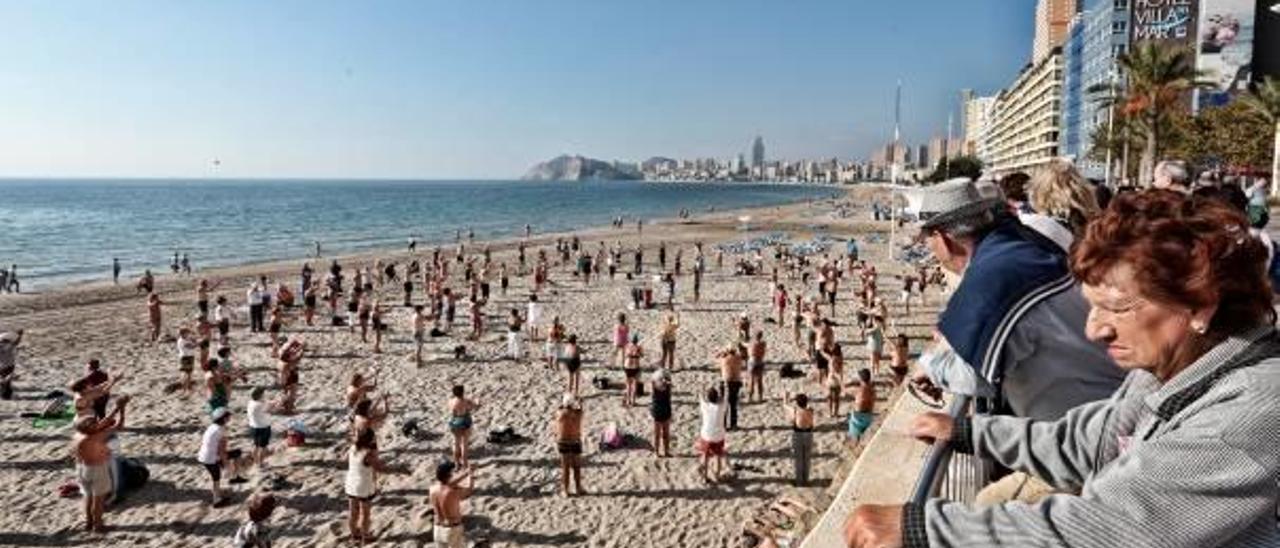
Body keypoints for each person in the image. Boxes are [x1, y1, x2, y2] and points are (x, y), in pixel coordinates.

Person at [845, 189, 1280, 548]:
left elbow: (1112, 529)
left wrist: (926, 529)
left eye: (1116, 308)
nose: (1094, 330)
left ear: (1199, 303)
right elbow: (1088, 444)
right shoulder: (1169, 366)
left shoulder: (1250, 410)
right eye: (1091, 308)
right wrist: (970, 433)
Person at [913, 178, 1123, 422]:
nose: (931, 252)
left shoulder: (991, 277)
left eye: (928, 242)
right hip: (1111, 400)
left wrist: (930, 365)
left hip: (1092, 428)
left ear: (942, 238)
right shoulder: (1020, 245)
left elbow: (974, 377)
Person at [72, 395, 128, 533]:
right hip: (97, 469)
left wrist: (115, 408)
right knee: (98, 500)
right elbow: (119, 426)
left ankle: (88, 522)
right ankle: (98, 526)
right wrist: (122, 410)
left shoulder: (78, 436)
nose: (98, 422)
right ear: (91, 427)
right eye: (94, 422)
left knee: (88, 497)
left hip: (82, 469)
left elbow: (103, 422)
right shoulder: (97, 436)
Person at [345, 428, 392, 545]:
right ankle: (365, 536)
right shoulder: (367, 454)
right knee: (365, 513)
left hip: (351, 482)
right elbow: (380, 468)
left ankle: (354, 534)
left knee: (352, 511)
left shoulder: (352, 448)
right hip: (363, 485)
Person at [197, 407, 246, 506]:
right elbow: (221, 452)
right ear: (224, 419)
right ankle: (216, 501)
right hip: (211, 459)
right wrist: (227, 466)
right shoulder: (221, 431)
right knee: (216, 479)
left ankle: (235, 477)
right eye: (228, 416)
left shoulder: (212, 426)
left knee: (237, 453)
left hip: (203, 456)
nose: (230, 417)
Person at [429, 461, 474, 548]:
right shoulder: (452, 492)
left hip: (438, 528)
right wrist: (471, 476)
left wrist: (466, 473)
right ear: (449, 475)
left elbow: (447, 483)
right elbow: (469, 490)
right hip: (452, 529)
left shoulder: (432, 489)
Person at [554, 394, 586, 497]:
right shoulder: (578, 414)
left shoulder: (560, 414)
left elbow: (559, 409)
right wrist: (579, 403)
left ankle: (565, 490)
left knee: (565, 468)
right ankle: (578, 488)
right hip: (575, 441)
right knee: (577, 467)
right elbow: (580, 408)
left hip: (563, 442)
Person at [782, 392, 814, 486]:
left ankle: (799, 481)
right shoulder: (810, 410)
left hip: (798, 435)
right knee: (807, 459)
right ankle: (806, 480)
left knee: (798, 459)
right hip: (808, 434)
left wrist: (786, 397)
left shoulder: (795, 411)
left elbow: (785, 405)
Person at [697, 386, 728, 482]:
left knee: (705, 456)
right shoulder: (721, 407)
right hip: (719, 435)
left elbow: (701, 397)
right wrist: (723, 390)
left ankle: (704, 477)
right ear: (717, 397)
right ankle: (717, 476)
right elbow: (725, 398)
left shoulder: (705, 406)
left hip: (706, 435)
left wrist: (702, 390)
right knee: (718, 455)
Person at [447, 385, 479, 467]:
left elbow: (452, 412)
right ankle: (465, 463)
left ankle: (456, 463)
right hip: (464, 423)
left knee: (455, 443)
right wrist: (477, 400)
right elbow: (475, 407)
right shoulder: (465, 401)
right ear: (462, 392)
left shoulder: (450, 401)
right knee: (464, 444)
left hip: (453, 423)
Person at [846, 369, 875, 446]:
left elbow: (844, 390)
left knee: (855, 436)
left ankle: (856, 444)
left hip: (858, 416)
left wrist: (851, 383)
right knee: (865, 436)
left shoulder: (859, 390)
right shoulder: (872, 390)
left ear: (861, 379)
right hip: (868, 416)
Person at [246, 386, 273, 470]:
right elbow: (271, 409)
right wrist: (279, 402)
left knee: (256, 445)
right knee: (263, 447)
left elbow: (267, 403)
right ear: (260, 395)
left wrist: (274, 402)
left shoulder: (251, 402)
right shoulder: (260, 405)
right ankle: (261, 464)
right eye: (263, 394)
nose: (264, 395)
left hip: (253, 427)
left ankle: (256, 461)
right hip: (263, 428)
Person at [718, 345, 744, 431]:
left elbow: (717, 356)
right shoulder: (738, 358)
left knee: (724, 405)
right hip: (736, 382)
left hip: (726, 382)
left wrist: (723, 352)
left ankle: (723, 424)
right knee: (733, 404)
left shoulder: (724, 359)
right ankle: (734, 424)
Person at [650, 369, 673, 458]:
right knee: (664, 434)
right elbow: (668, 383)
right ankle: (663, 451)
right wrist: (665, 379)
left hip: (660, 412)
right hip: (662, 412)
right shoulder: (666, 389)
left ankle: (659, 452)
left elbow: (652, 382)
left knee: (660, 434)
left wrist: (660, 379)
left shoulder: (656, 389)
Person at [0, 329, 22, 400]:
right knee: (6, 382)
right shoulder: (9, 345)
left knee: (5, 382)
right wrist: (19, 335)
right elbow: (16, 342)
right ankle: (6, 395)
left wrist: (19, 336)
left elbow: (16, 342)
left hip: (4, 367)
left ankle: (5, 395)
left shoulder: (8, 345)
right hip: (9, 366)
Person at [175, 327, 197, 395]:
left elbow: (193, 341)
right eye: (187, 333)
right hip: (186, 358)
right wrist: (198, 343)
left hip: (188, 357)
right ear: (183, 333)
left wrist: (194, 339)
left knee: (189, 373)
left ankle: (187, 388)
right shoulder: (182, 341)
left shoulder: (184, 339)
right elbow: (191, 346)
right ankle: (185, 388)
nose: (189, 334)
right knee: (186, 374)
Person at [623, 334, 643, 407]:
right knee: (634, 385)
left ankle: (628, 401)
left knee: (628, 385)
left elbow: (625, 354)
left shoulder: (627, 346)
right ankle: (633, 401)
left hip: (627, 366)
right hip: (635, 366)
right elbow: (642, 355)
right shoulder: (639, 347)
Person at [748, 330, 767, 402]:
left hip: (752, 361)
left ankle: (750, 397)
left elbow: (748, 348)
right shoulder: (763, 343)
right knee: (759, 380)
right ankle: (760, 397)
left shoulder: (751, 343)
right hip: (760, 361)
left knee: (751, 380)